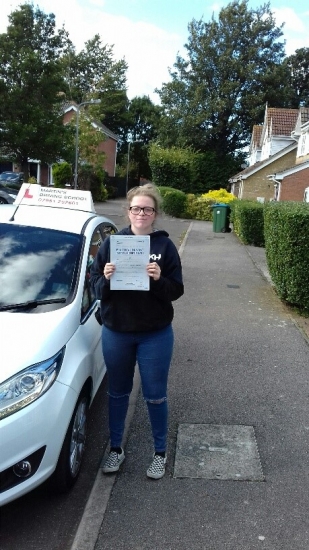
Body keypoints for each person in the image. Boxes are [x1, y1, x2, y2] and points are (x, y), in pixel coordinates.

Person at [90, 184, 184, 479]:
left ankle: (159, 452)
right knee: (117, 393)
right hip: (117, 331)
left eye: (147, 209)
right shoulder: (111, 244)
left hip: (155, 333)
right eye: (136, 208)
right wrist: (105, 279)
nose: (141, 213)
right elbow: (94, 288)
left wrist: (158, 280)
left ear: (155, 214)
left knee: (155, 395)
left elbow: (177, 290)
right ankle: (116, 448)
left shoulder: (164, 247)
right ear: (128, 211)